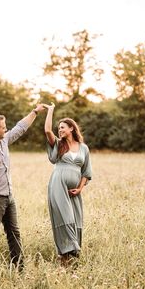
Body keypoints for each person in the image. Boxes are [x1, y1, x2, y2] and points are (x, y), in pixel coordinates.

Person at [0, 104, 45, 268]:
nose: (6, 130)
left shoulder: (3, 141)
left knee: (14, 233)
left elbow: (21, 127)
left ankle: (19, 267)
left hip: (8, 196)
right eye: (3, 128)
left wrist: (34, 112)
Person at [43, 103, 92, 265]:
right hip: (58, 186)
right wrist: (50, 110)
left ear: (71, 128)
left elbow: (86, 172)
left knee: (76, 218)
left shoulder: (84, 148)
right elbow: (47, 130)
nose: (60, 130)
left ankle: (70, 257)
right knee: (65, 217)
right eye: (59, 128)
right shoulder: (58, 144)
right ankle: (65, 253)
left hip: (74, 191)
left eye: (63, 127)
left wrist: (80, 188)